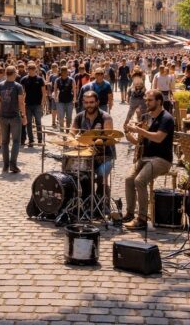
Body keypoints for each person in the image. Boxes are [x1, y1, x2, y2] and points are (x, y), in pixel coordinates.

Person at [122, 89, 175, 230]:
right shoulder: (145, 117)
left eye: (150, 100)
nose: (147, 102)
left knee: (140, 180)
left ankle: (142, 218)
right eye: (146, 100)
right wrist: (128, 134)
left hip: (162, 159)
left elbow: (158, 138)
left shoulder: (167, 118)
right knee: (128, 179)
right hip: (145, 157)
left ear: (159, 101)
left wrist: (140, 131)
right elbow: (139, 142)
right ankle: (129, 213)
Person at [70, 90, 115, 203]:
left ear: (97, 102)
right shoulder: (79, 117)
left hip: (103, 156)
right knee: (82, 177)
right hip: (86, 155)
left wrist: (95, 141)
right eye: (86, 102)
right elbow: (71, 133)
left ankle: (103, 205)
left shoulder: (106, 117)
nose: (89, 105)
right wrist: (73, 139)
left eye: (91, 102)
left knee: (101, 178)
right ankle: (87, 203)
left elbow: (109, 138)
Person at [0, 66, 27, 173]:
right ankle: (13, 165)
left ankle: (5, 166)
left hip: (3, 116)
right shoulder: (18, 86)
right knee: (16, 141)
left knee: (4, 142)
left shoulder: (0, 86)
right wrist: (24, 115)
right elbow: (21, 102)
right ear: (14, 74)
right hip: (14, 116)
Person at [19, 63, 47, 148]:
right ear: (27, 70)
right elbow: (22, 92)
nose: (31, 71)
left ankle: (39, 139)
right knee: (29, 123)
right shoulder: (24, 79)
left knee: (38, 122)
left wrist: (43, 103)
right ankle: (31, 140)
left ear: (35, 70)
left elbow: (43, 92)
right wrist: (22, 103)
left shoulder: (40, 79)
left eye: (32, 69)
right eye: (29, 69)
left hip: (37, 104)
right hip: (27, 104)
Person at [53, 66, 76, 132]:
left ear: (67, 72)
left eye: (65, 71)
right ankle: (62, 130)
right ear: (61, 72)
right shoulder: (57, 80)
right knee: (61, 116)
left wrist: (75, 98)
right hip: (60, 101)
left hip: (69, 100)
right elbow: (55, 89)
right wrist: (55, 97)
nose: (64, 73)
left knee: (69, 117)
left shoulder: (71, 80)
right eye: (63, 71)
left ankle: (68, 129)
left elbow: (74, 89)